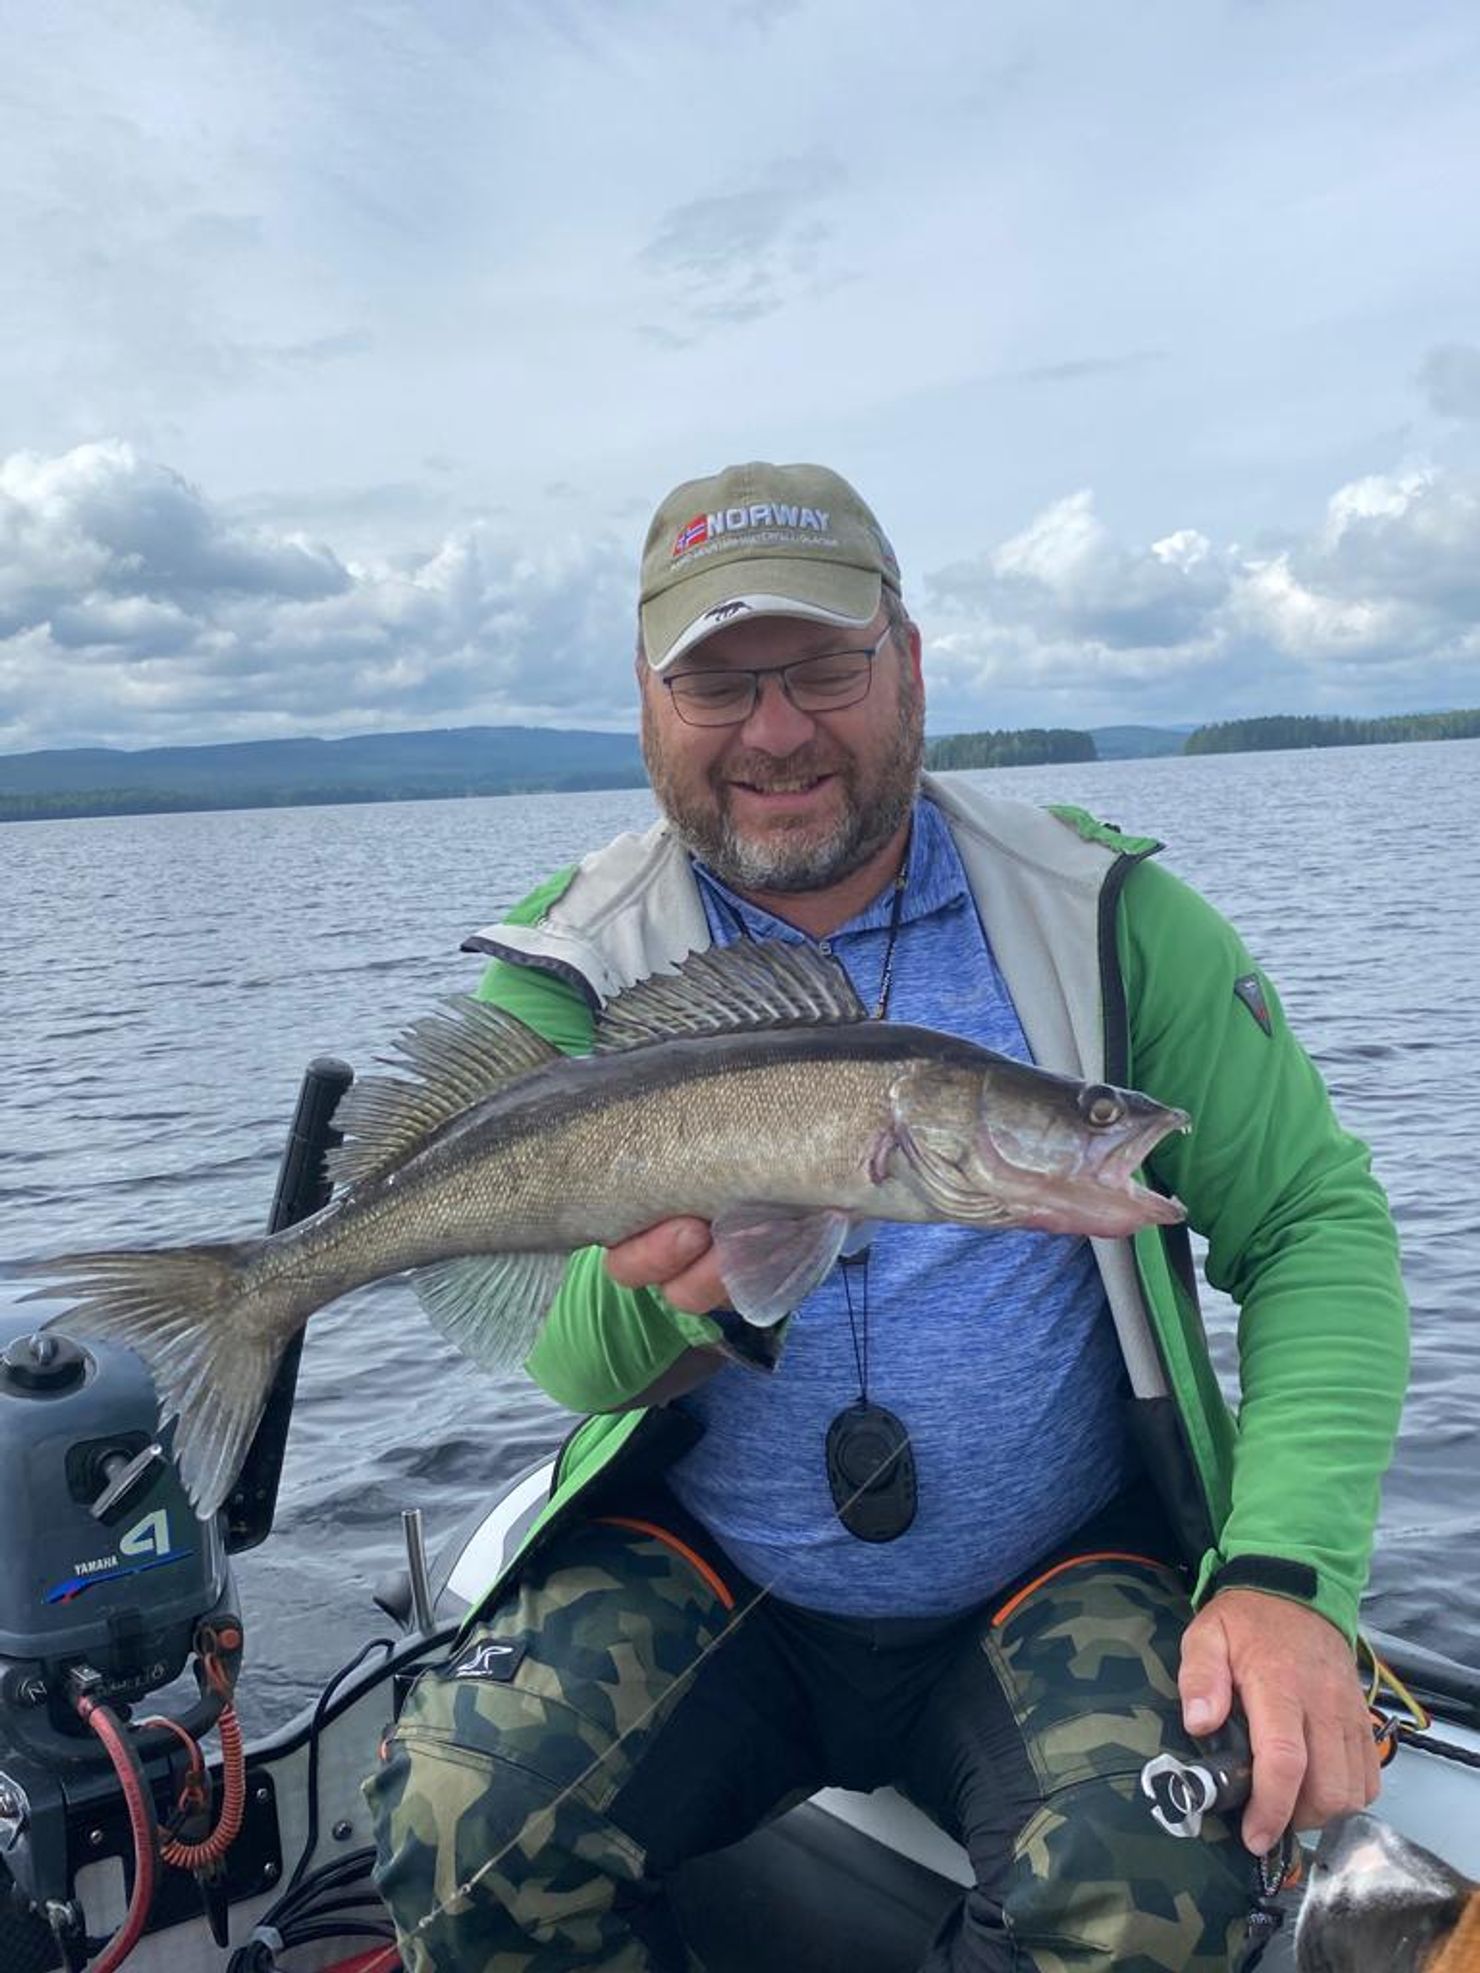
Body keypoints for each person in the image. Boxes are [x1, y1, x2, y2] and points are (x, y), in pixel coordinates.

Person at [366, 461, 1409, 1971]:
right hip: (709, 1564)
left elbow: (1316, 1225)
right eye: (718, 682)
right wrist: (674, 1294)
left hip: (1056, 1567)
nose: (776, 729)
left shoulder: (1104, 917)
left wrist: (1285, 1574)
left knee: (1151, 1891)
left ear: (909, 663)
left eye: (825, 668)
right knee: (465, 1830)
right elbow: (569, 1365)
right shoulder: (572, 968)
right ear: (648, 705)